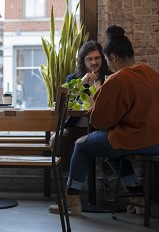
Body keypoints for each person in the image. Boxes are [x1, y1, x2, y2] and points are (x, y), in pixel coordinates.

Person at [49, 25, 159, 216]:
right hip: (155, 141)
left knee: (82, 145)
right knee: (112, 148)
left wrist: (97, 105)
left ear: (112, 58)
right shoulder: (151, 72)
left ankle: (71, 201)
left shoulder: (117, 79)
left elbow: (99, 122)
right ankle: (138, 195)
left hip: (134, 138)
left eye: (103, 58)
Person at [50, 40, 113, 171]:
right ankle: (69, 177)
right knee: (57, 139)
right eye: (89, 59)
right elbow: (63, 100)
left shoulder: (110, 78)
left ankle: (107, 174)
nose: (94, 62)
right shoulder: (73, 79)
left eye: (97, 58)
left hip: (102, 129)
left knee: (112, 140)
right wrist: (82, 81)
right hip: (77, 128)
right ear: (83, 60)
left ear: (103, 59)